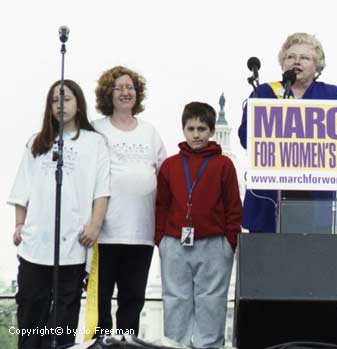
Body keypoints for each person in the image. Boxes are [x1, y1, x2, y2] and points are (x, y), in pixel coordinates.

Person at [7, 80, 110, 349]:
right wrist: (19, 224)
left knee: (64, 317)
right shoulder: (37, 142)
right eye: (55, 100)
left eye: (67, 99)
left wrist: (95, 226)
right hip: (35, 246)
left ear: (78, 103)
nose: (61, 105)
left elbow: (102, 190)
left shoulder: (95, 142)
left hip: (74, 244)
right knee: (31, 313)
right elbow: (22, 189)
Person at [238, 32, 337, 233]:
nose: (296, 62)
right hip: (270, 196)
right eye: (290, 57)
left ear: (317, 67)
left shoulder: (333, 96)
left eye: (304, 58)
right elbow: (246, 138)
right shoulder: (264, 93)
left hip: (317, 197)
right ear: (282, 64)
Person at [155, 102, 242, 349]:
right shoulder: (171, 165)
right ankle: (175, 344)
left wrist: (229, 243)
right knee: (176, 299)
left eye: (202, 128)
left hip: (215, 244)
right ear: (183, 129)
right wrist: (160, 240)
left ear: (212, 131)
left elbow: (233, 207)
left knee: (212, 301)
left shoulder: (224, 164)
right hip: (174, 243)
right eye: (191, 128)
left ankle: (209, 345)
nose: (196, 134)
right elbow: (161, 204)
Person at [93, 66, 167, 336]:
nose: (125, 93)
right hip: (105, 233)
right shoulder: (96, 130)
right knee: (99, 301)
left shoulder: (150, 131)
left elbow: (164, 175)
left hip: (141, 233)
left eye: (130, 88)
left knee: (133, 300)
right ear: (107, 94)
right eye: (119, 88)